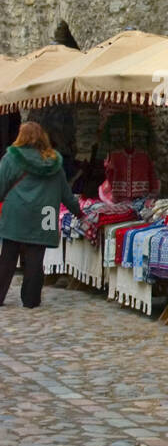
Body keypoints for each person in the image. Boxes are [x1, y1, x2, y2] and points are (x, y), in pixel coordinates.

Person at [0, 121, 81, 308]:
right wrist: (79, 212)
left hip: (16, 212)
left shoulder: (11, 158)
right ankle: (31, 299)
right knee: (36, 258)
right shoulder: (54, 161)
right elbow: (66, 194)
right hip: (46, 215)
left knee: (8, 257)